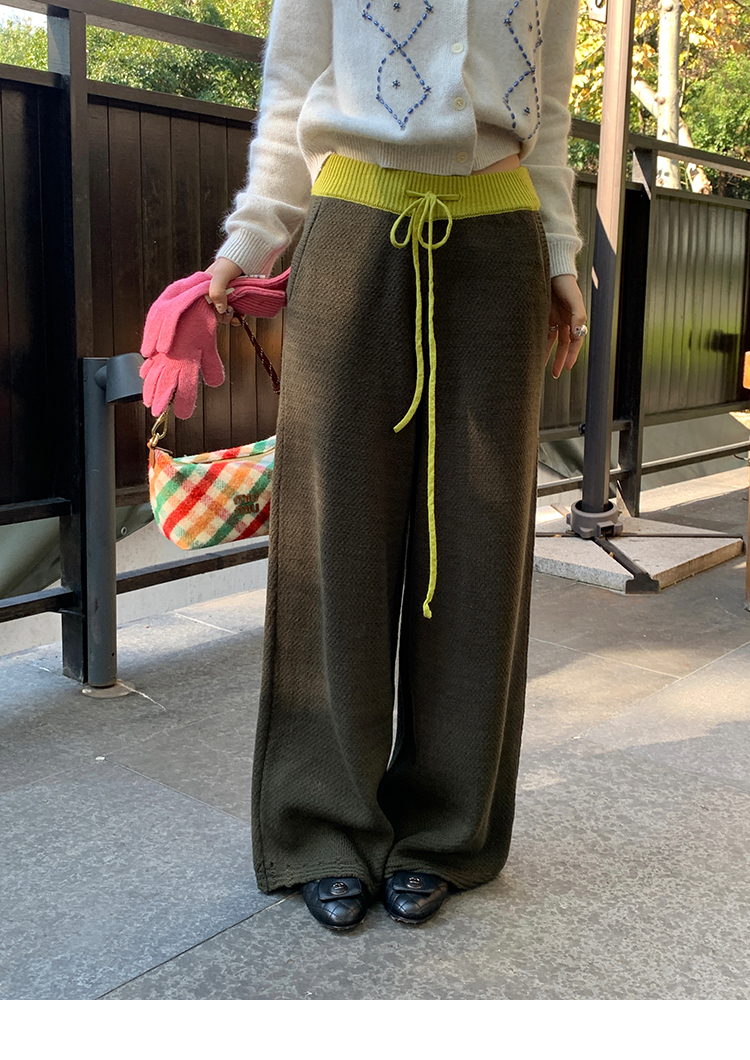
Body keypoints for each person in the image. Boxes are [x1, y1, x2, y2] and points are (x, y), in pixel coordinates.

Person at [206, 0, 587, 930]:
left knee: (480, 547)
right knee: (332, 539)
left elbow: (550, 112)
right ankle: (323, 824)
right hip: (354, 228)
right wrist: (255, 231)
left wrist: (561, 253)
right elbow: (292, 81)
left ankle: (446, 830)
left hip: (500, 237)